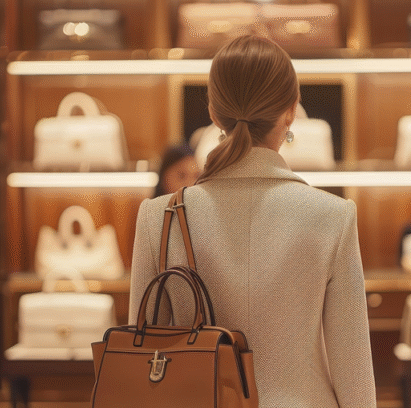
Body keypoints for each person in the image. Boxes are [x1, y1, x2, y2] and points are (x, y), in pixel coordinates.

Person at [129, 35, 376, 407]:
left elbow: (142, 357)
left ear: (214, 112)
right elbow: (354, 380)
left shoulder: (158, 218)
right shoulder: (334, 217)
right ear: (291, 111)